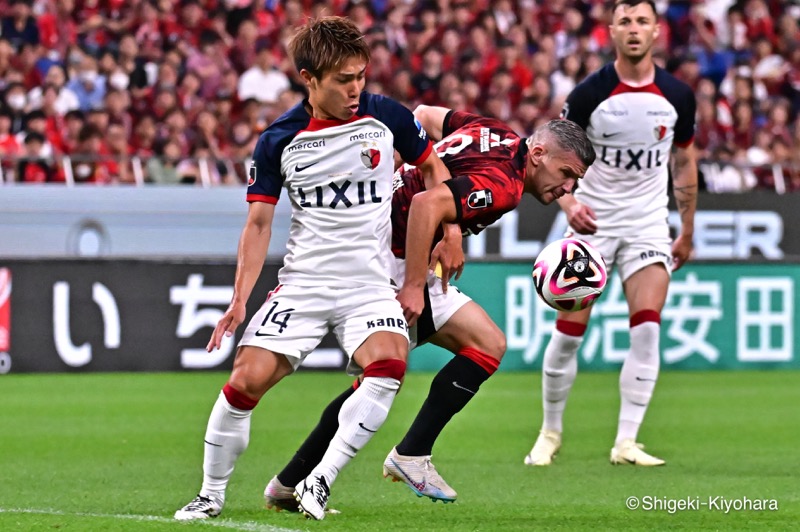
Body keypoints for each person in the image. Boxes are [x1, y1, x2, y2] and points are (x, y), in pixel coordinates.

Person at [173, 16, 453, 522]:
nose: (356, 88)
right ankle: (210, 495)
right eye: (344, 80)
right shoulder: (279, 139)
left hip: (368, 284)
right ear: (309, 78)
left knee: (389, 364)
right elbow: (258, 224)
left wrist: (450, 232)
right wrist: (240, 298)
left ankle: (319, 481)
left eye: (361, 76)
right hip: (304, 283)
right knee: (245, 380)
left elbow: (435, 172)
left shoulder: (385, 116)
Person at [260, 105, 595, 510]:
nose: (568, 189)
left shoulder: (493, 130)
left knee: (420, 365)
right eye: (567, 175)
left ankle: (289, 483)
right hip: (391, 259)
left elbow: (423, 116)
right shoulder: (504, 185)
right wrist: (414, 285)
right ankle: (404, 456)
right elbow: (425, 204)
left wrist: (449, 226)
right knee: (417, 366)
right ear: (539, 154)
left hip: (379, 239)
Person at [524, 0, 698, 468]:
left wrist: (687, 228)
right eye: (625, 21)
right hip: (593, 221)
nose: (634, 29)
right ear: (612, 31)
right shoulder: (588, 94)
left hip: (646, 222)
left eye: (642, 21)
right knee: (569, 334)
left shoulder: (678, 95)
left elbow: (683, 159)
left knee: (646, 330)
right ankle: (550, 431)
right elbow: (545, 152)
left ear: (657, 31)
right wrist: (569, 202)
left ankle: (626, 442)